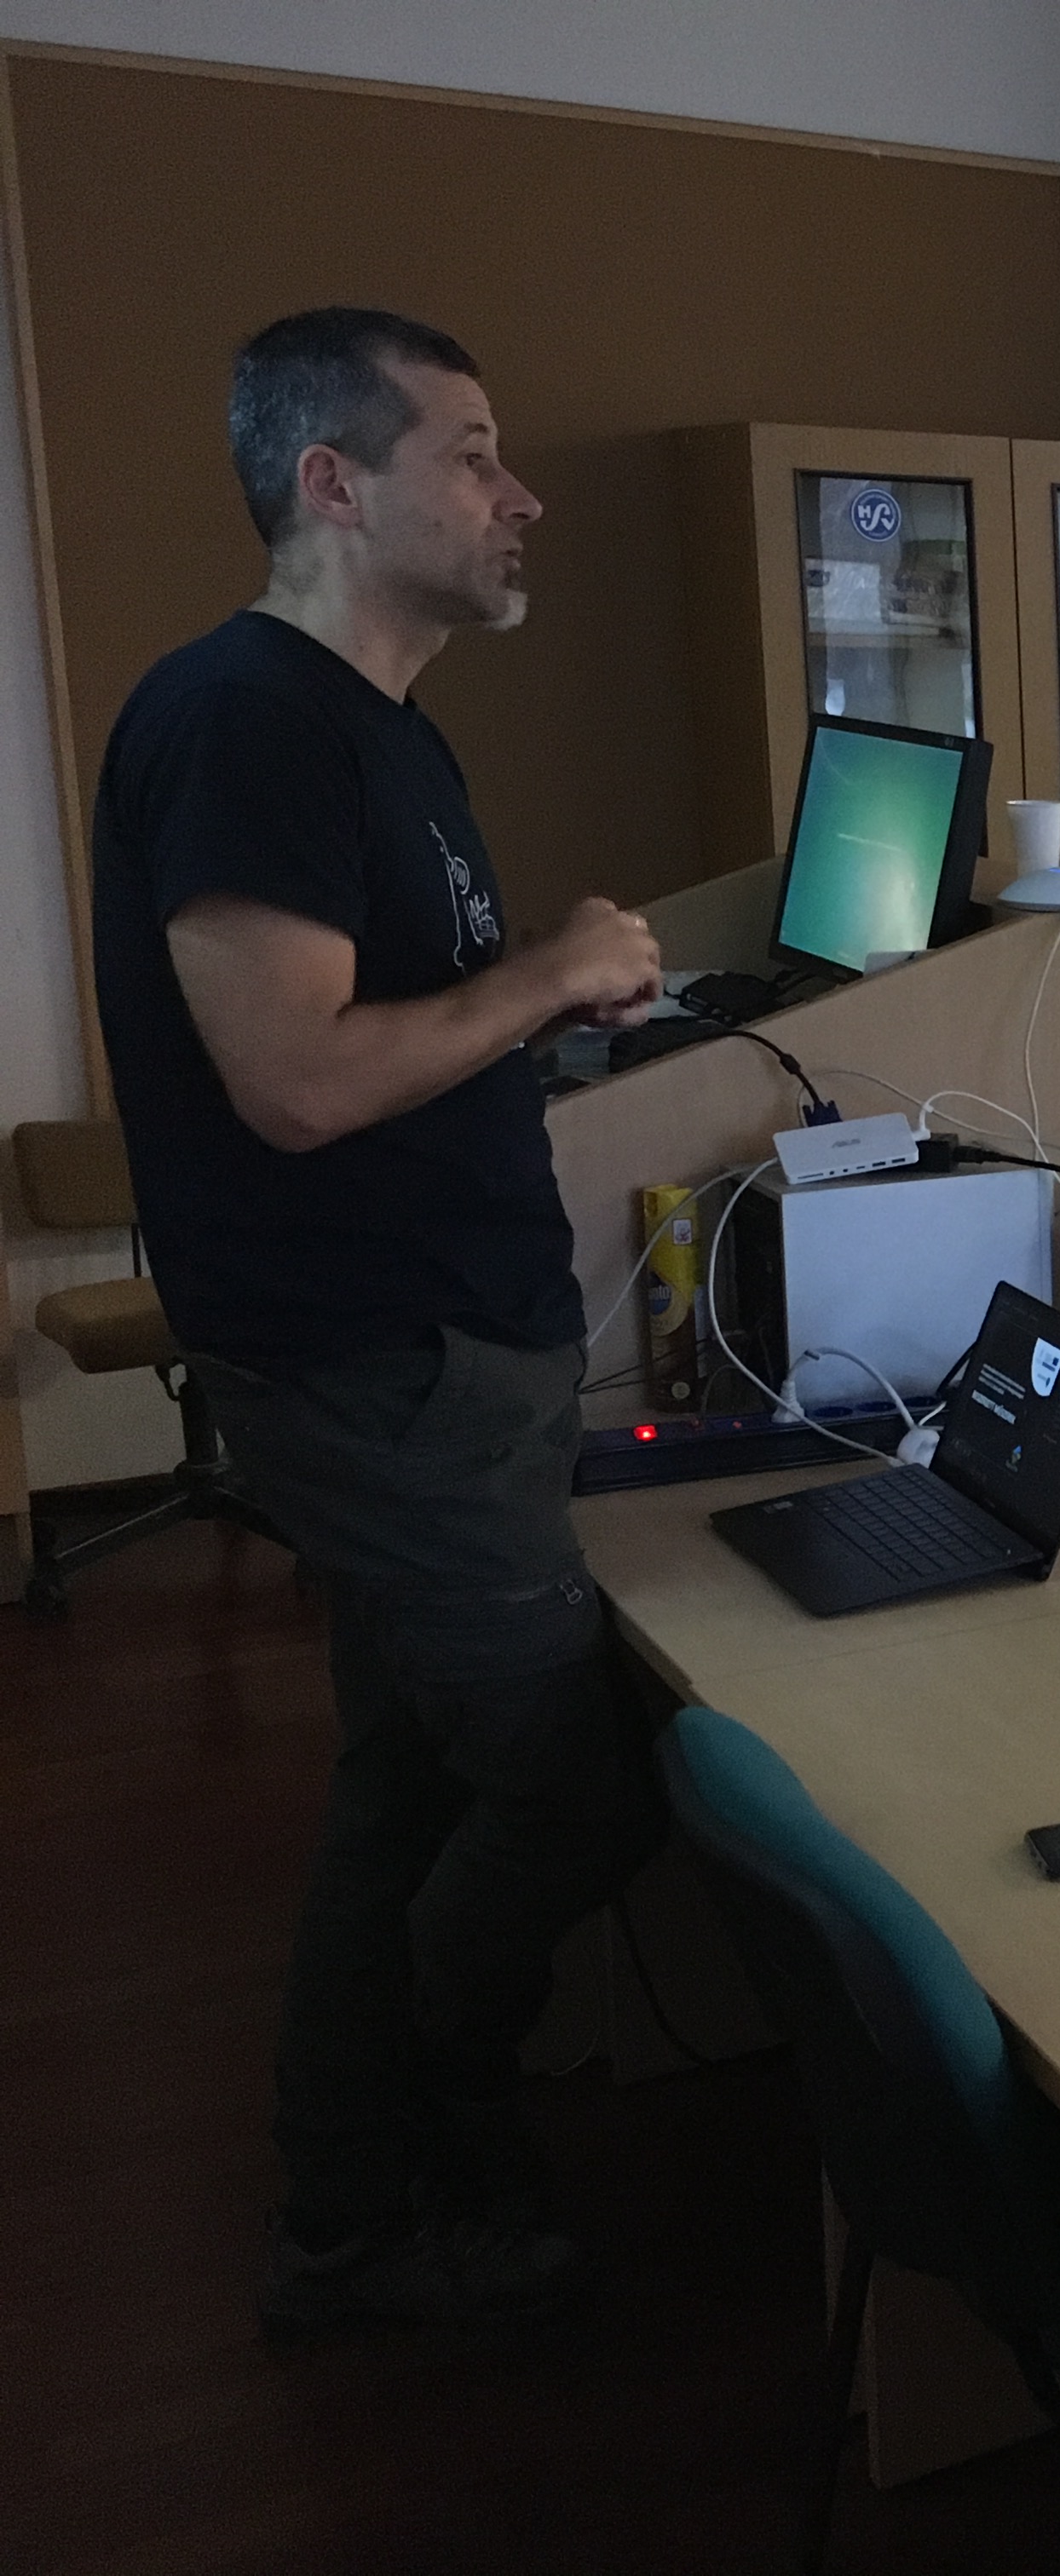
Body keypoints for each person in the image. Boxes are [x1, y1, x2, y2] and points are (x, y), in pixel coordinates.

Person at [89, 308, 670, 2333]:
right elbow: (298, 1081)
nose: (523, 500)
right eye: (475, 453)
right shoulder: (249, 721)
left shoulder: (379, 730)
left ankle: (349, 2185)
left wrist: (547, 1010)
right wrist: (552, 975)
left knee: (411, 1781)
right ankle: (417, 2137)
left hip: (442, 1355)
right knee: (576, 1784)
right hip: (381, 1371)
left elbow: (397, 1035)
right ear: (335, 484)